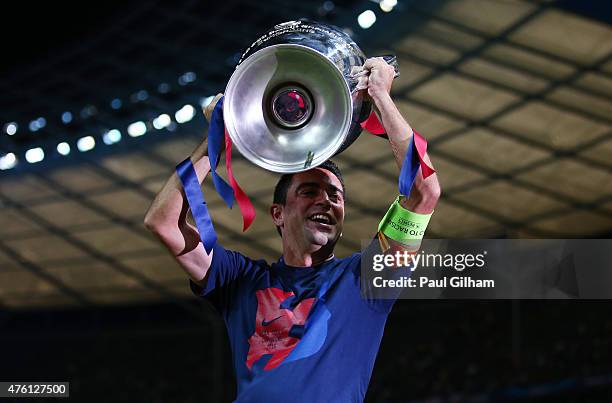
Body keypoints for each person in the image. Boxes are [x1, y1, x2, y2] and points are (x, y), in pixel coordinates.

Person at [144, 58, 440, 402]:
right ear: (278, 214)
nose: (326, 201)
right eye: (309, 191)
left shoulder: (366, 279)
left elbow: (424, 191)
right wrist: (217, 139)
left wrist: (381, 98)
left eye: (336, 196)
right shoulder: (239, 280)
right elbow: (162, 221)